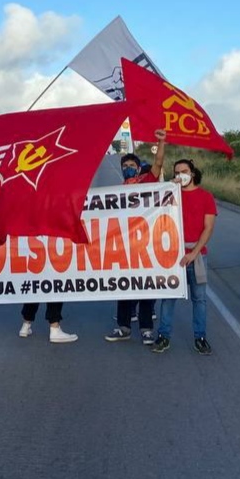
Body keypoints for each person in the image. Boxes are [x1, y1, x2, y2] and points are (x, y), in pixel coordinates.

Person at [107, 130, 167, 345]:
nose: (127, 168)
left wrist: (160, 141)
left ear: (138, 167)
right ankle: (123, 327)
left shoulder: (146, 181)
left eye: (131, 165)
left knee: (147, 286)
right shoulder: (117, 190)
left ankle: (146, 329)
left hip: (147, 244)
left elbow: (158, 163)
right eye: (124, 166)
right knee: (124, 286)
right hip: (125, 247)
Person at [152, 157, 217, 355]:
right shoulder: (171, 196)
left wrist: (194, 252)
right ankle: (163, 336)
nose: (181, 175)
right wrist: (167, 189)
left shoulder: (206, 197)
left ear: (193, 173)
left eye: (184, 171)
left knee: (199, 299)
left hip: (196, 256)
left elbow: (208, 228)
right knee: (169, 297)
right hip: (173, 255)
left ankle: (200, 337)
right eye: (177, 172)